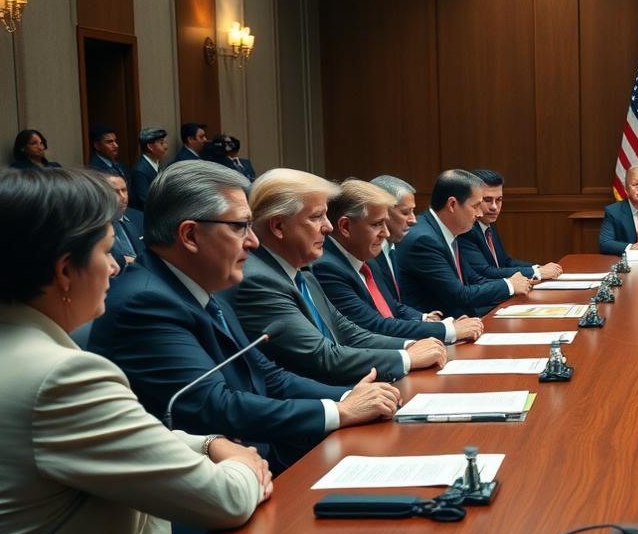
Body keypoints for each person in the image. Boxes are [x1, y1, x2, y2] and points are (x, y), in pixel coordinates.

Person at [0, 167, 266, 534]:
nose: (116, 267)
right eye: (105, 252)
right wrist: (244, 462)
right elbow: (223, 500)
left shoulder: (15, 351)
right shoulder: (62, 376)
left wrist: (207, 442)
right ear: (64, 271)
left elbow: (109, 436)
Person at [88, 162, 402, 472]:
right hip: (213, 477)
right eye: (241, 227)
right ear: (190, 235)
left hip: (255, 461)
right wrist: (338, 411)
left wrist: (350, 397)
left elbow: (267, 375)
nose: (253, 241)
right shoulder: (146, 303)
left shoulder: (199, 285)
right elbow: (213, 404)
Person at [225, 169, 448, 386]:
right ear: (278, 226)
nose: (328, 227)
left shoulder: (303, 273)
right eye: (316, 217)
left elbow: (349, 332)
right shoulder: (259, 281)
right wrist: (406, 358)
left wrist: (409, 346)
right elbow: (321, 356)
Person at [312, 178, 483, 343]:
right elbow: (374, 326)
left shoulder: (366, 257)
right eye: (377, 224)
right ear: (345, 227)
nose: (386, 233)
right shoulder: (327, 268)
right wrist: (449, 330)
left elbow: (392, 306)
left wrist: (427, 320)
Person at [396, 169, 533, 318]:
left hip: (462, 317)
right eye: (475, 206)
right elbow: (459, 295)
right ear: (452, 204)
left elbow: (474, 279)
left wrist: (511, 284)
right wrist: (509, 286)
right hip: (436, 324)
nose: (480, 213)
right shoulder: (424, 240)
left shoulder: (447, 231)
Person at [458, 169, 563, 280]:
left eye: (499, 200)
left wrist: (538, 268)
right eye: (487, 200)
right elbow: (486, 272)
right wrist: (537, 272)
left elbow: (505, 262)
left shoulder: (488, 224)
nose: (494, 207)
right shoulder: (467, 230)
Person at [370, 174, 417, 299]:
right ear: (382, 211)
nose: (413, 220)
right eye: (405, 212)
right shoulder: (366, 253)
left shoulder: (399, 244)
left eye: (413, 211)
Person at [99, 171, 142, 273]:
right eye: (115, 191)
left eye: (124, 190)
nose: (123, 197)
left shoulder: (139, 217)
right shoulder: (94, 226)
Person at [130, 127, 169, 210]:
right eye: (161, 143)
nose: (166, 147)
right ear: (150, 147)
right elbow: (145, 201)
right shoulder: (140, 171)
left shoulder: (158, 163)